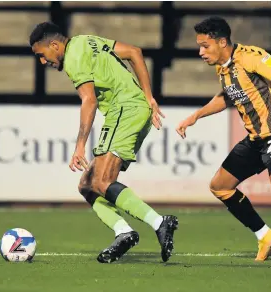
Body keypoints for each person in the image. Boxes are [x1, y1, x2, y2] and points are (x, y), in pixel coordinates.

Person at [176, 16, 271, 261]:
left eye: (205, 46)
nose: (200, 52)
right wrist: (195, 116)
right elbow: (226, 97)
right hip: (256, 139)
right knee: (220, 187)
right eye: (199, 46)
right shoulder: (222, 68)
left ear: (222, 42)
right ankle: (266, 235)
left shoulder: (250, 57)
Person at [29, 22, 178, 264]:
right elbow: (135, 52)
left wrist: (79, 145)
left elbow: (89, 100)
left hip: (124, 110)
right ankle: (124, 232)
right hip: (132, 109)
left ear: (54, 45)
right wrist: (148, 96)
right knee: (87, 185)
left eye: (41, 55)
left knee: (102, 181)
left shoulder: (74, 59)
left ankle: (160, 222)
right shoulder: (86, 41)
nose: (43, 62)